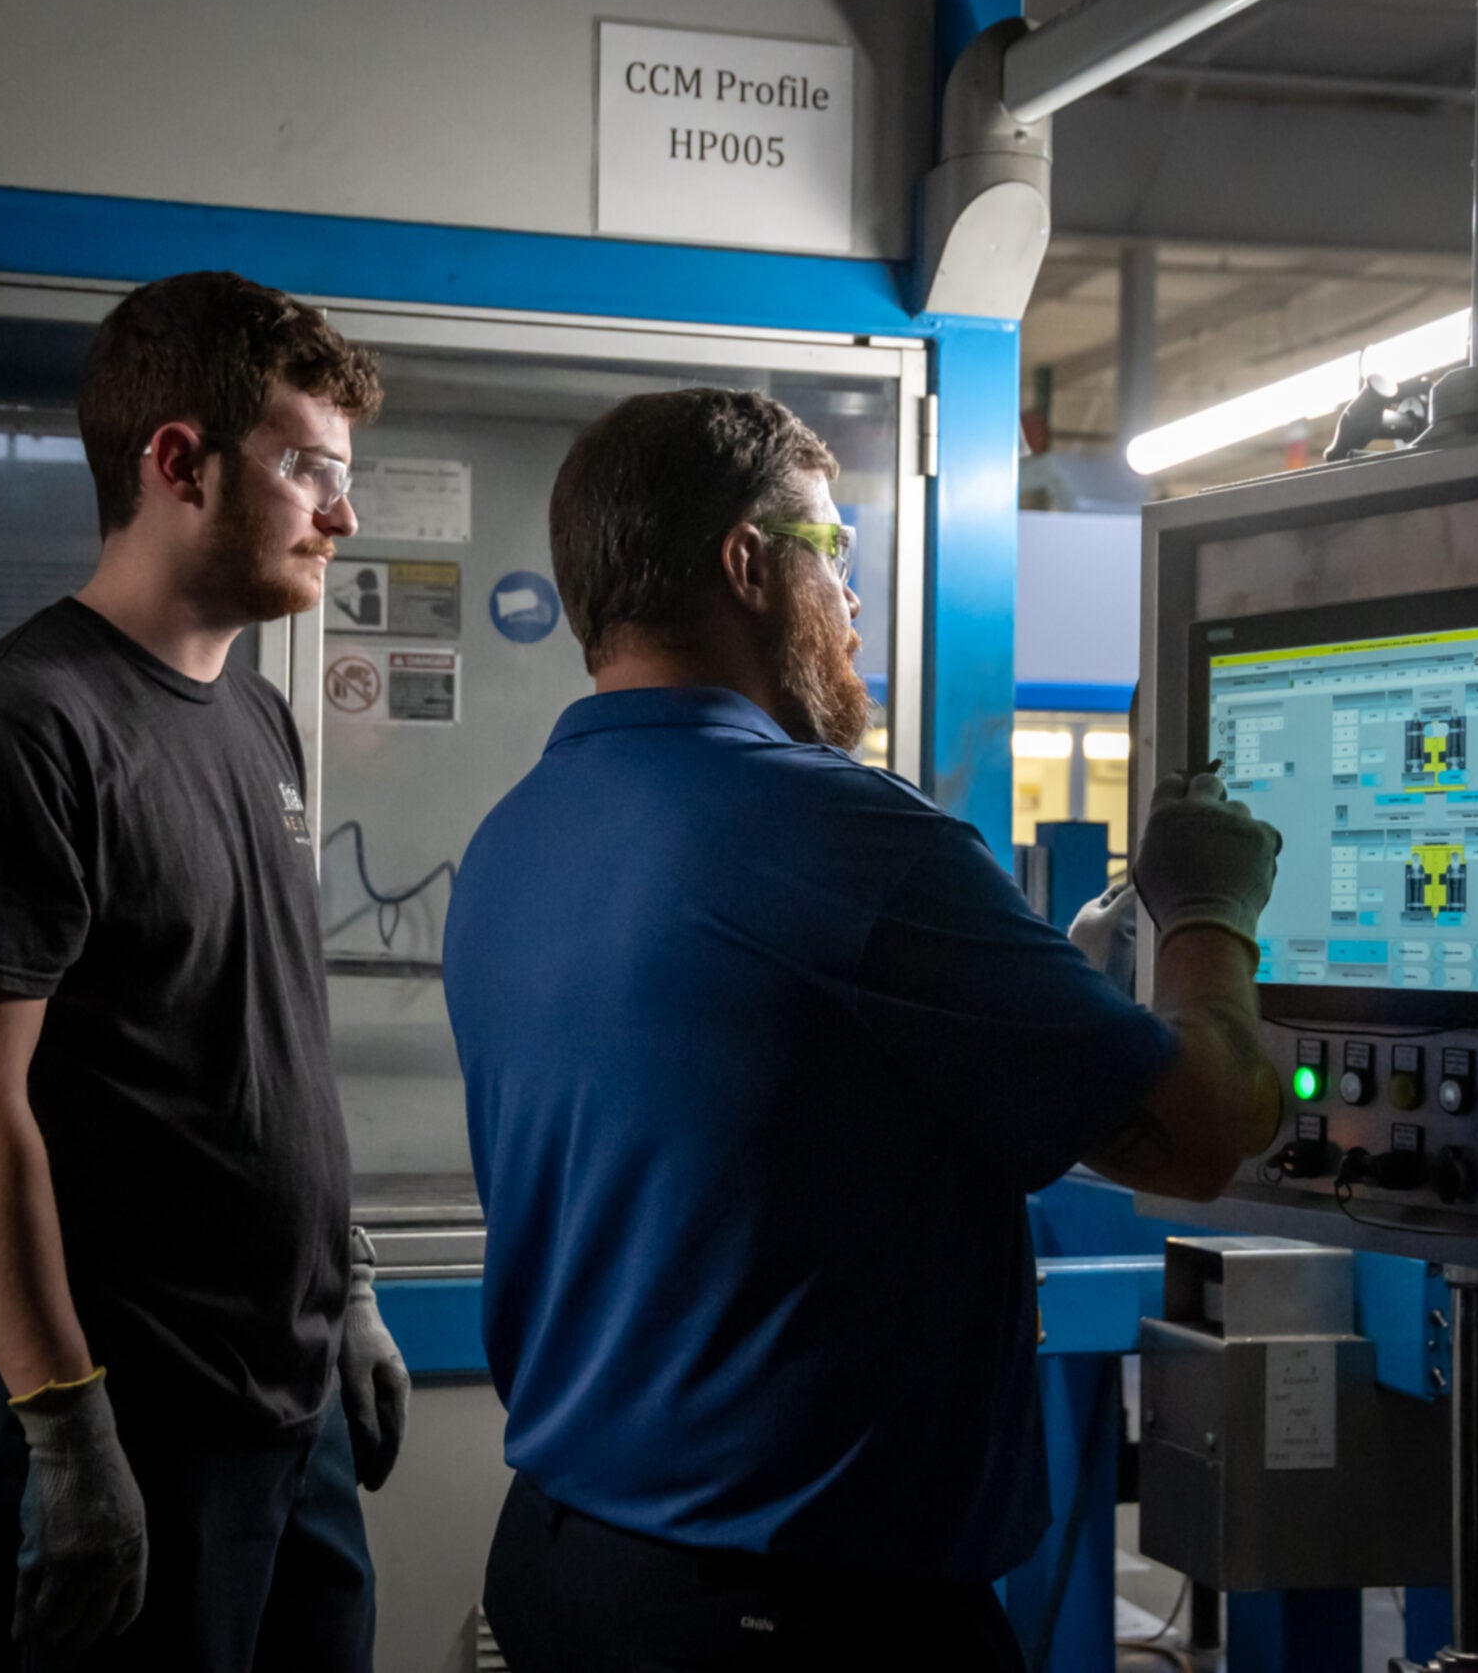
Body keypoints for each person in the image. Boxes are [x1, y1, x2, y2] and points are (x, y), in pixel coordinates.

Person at [441, 387, 1284, 1671]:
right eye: (834, 556)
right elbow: (1199, 1130)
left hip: (566, 1568)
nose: (851, 604)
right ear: (746, 562)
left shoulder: (513, 836)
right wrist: (1209, 907)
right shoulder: (842, 834)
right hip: (796, 1615)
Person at [0, 271, 409, 1672]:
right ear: (178, 461)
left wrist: (348, 1283)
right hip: (128, 1409)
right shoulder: (23, 726)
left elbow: (263, 1038)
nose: (343, 514)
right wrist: (64, 1426)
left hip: (280, 1400)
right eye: (312, 468)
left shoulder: (255, 720)